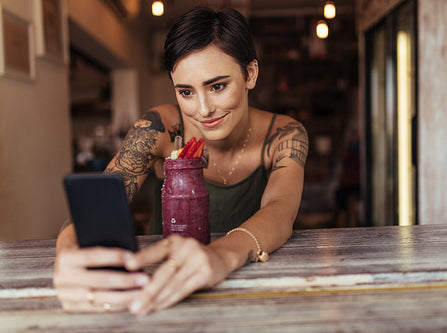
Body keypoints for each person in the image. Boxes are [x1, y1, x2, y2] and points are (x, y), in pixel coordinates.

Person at [53, 6, 308, 316]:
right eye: (186, 92)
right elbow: (95, 207)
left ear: (250, 74)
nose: (203, 110)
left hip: (245, 294)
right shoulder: (160, 127)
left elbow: (281, 211)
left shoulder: (284, 135)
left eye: (217, 86)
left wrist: (220, 257)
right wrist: (67, 255)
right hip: (157, 287)